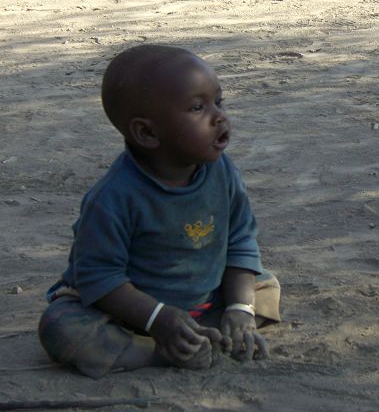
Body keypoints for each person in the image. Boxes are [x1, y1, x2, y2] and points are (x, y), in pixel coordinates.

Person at [38, 44, 280, 378]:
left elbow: (240, 241)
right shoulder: (113, 198)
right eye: (198, 108)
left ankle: (205, 332)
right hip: (129, 315)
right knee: (61, 327)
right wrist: (159, 319)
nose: (219, 117)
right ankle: (158, 352)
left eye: (218, 101)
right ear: (148, 132)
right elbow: (99, 278)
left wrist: (240, 308)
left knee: (263, 285)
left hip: (204, 299)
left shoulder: (223, 173)